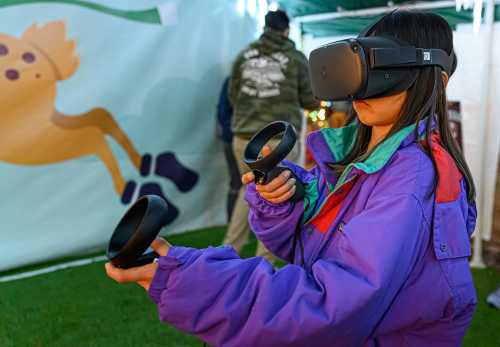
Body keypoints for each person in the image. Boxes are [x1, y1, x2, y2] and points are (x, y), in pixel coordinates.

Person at [106, 10, 477, 347]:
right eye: (361, 66)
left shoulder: (411, 180)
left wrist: (190, 281)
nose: (363, 87)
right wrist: (286, 203)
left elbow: (333, 305)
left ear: (436, 81)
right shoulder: (362, 159)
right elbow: (316, 248)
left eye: (385, 68)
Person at [224, 9, 318, 261]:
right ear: (286, 30)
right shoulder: (295, 58)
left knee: (249, 190)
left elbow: (232, 95)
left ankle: (228, 252)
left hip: (243, 137)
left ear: (265, 28)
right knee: (278, 196)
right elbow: (310, 100)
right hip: (278, 139)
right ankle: (264, 261)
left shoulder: (243, 56)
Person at [215, 77, 241, 222]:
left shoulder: (232, 80)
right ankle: (234, 224)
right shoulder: (233, 80)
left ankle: (237, 225)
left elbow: (222, 111)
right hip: (235, 139)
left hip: (234, 137)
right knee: (239, 184)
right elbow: (223, 112)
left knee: (239, 184)